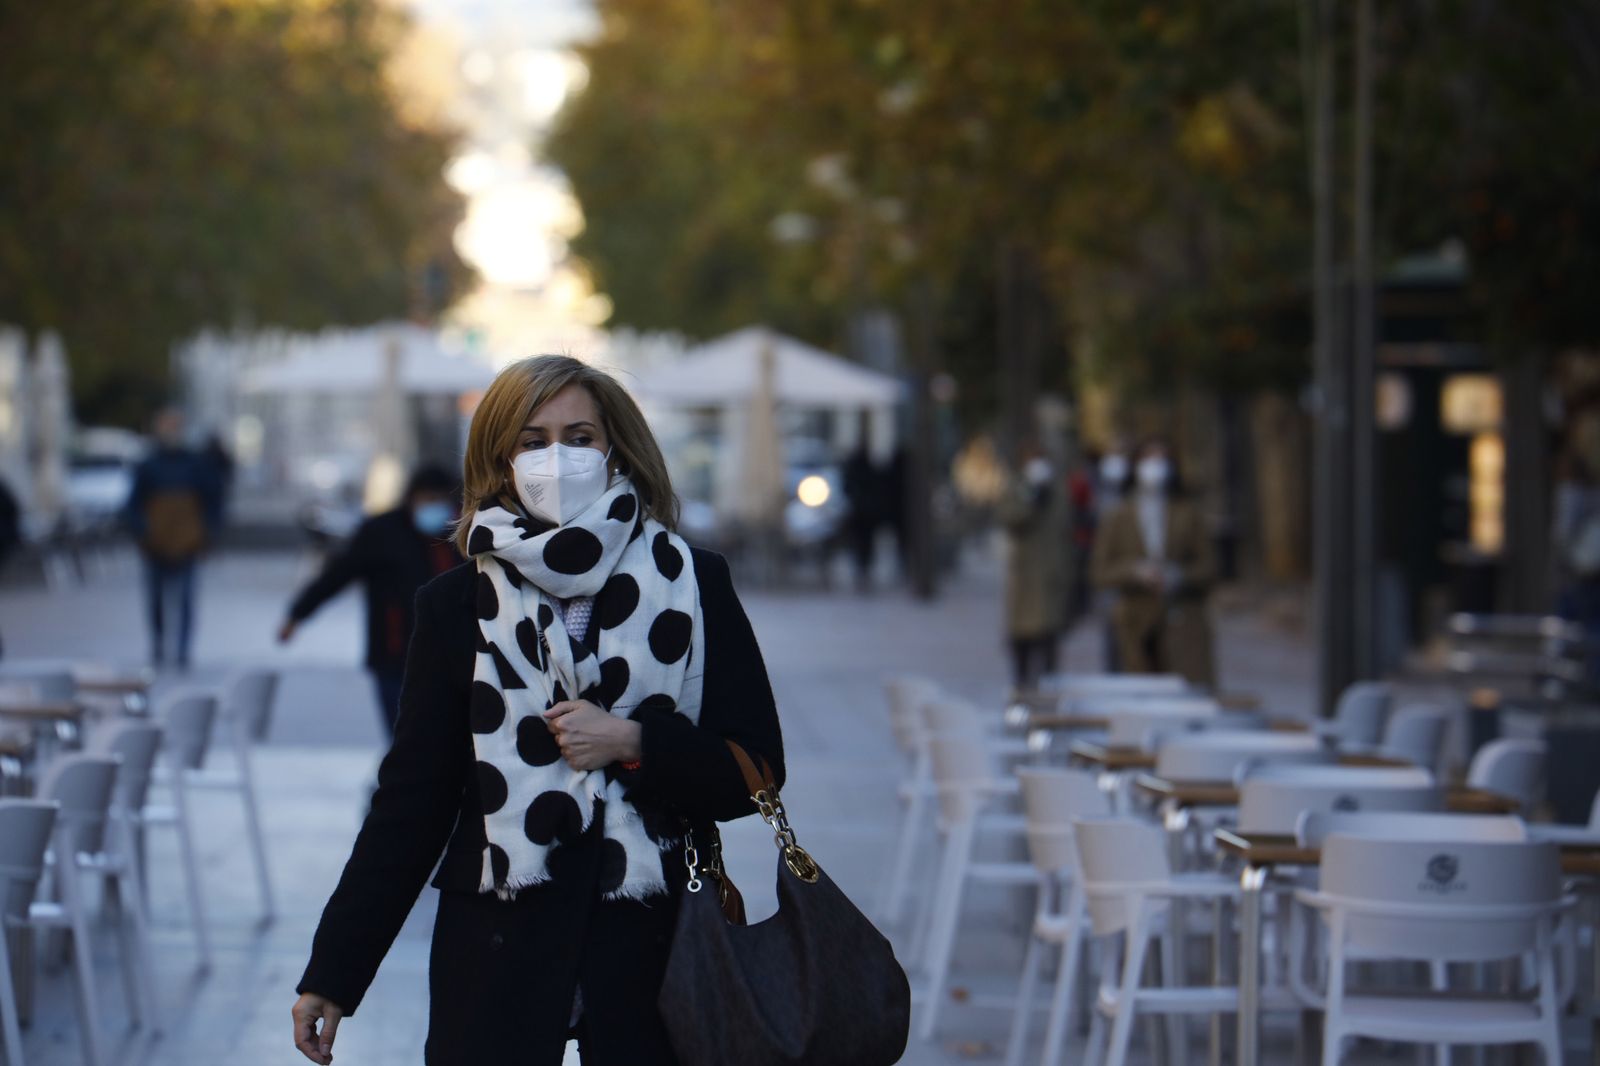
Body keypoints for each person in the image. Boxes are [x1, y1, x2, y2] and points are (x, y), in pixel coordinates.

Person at [291, 355, 785, 1066]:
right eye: (533, 440)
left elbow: (758, 769)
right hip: (496, 951)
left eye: (580, 436)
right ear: (502, 458)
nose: (558, 457)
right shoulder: (455, 604)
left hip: (653, 952)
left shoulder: (694, 581)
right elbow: (412, 803)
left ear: (615, 448)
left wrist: (635, 741)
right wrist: (335, 972)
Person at [278, 465, 462, 736]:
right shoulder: (382, 532)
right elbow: (338, 575)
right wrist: (297, 614)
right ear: (411, 498)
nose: (434, 507)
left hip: (452, 659)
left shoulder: (460, 535)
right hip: (395, 656)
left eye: (440, 500)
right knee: (405, 738)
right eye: (427, 499)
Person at [1091, 437, 1216, 687]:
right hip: (1134, 626)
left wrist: (1177, 575)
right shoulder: (1118, 516)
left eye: (1162, 459)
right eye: (1149, 459)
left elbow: (1209, 567)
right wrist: (1135, 571)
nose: (1155, 466)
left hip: (1181, 624)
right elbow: (1099, 571)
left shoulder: (1187, 513)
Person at [125, 408, 223, 669]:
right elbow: (134, 504)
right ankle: (159, 645)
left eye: (175, 426)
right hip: (155, 542)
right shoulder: (149, 465)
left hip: (187, 542)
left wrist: (206, 532)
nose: (171, 431)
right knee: (156, 600)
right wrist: (143, 531)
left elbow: (212, 501)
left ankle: (182, 650)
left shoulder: (195, 464)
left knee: (185, 599)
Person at [998, 441, 1069, 689]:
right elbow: (1010, 518)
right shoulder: (1017, 488)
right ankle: (1022, 691)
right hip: (1025, 575)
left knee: (1048, 638)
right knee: (1023, 637)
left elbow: (1066, 529)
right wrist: (1032, 502)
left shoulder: (1058, 491)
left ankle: (1049, 692)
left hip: (1051, 573)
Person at [840, 441, 882, 592]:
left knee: (861, 542)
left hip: (861, 512)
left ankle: (862, 568)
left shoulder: (857, 469)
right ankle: (863, 568)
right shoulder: (868, 468)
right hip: (864, 512)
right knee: (864, 542)